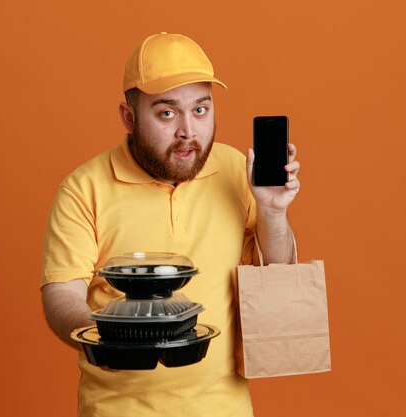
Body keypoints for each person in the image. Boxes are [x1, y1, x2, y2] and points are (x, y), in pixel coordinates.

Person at [41, 32, 301, 417]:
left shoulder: (235, 171)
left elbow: (279, 281)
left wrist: (273, 212)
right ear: (128, 118)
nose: (188, 132)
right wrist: (111, 340)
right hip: (118, 410)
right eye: (167, 113)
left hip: (224, 408)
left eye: (201, 110)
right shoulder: (83, 189)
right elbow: (61, 296)